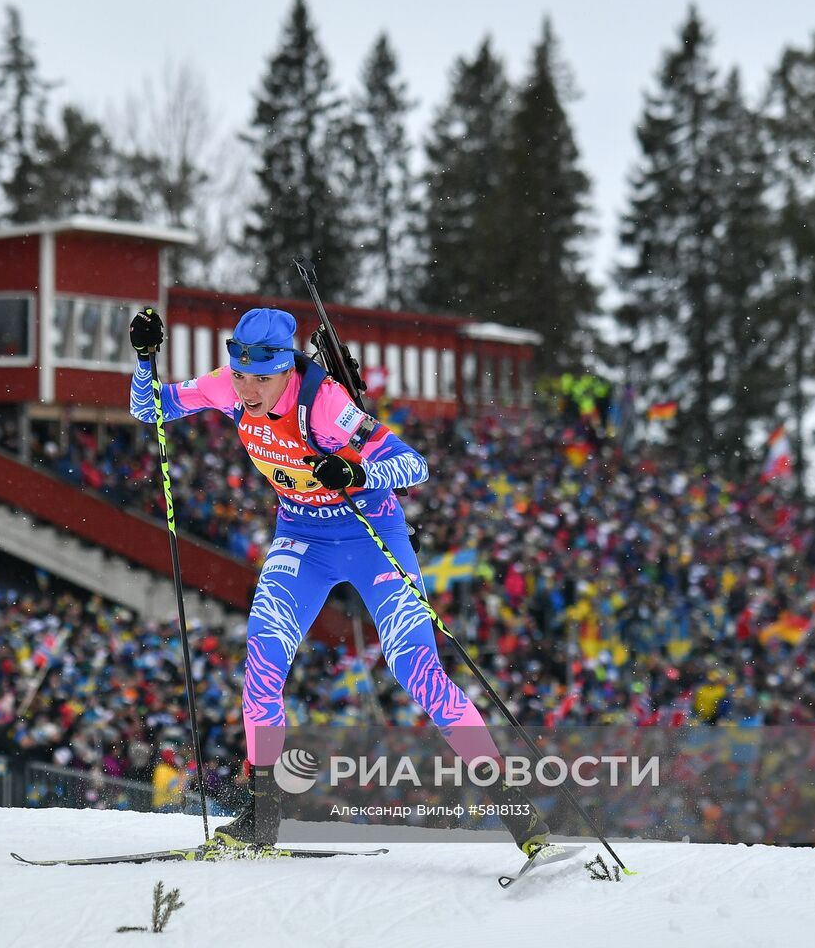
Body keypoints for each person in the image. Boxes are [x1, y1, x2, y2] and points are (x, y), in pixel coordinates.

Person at [128, 306, 552, 858]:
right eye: (240, 376)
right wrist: (144, 360)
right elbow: (149, 408)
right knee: (262, 661)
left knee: (415, 671)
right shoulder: (226, 388)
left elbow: (413, 464)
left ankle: (523, 820)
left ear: (286, 369)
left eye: (261, 379)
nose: (247, 391)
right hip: (302, 538)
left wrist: (358, 471)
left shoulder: (324, 403)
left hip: (370, 533)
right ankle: (261, 816)